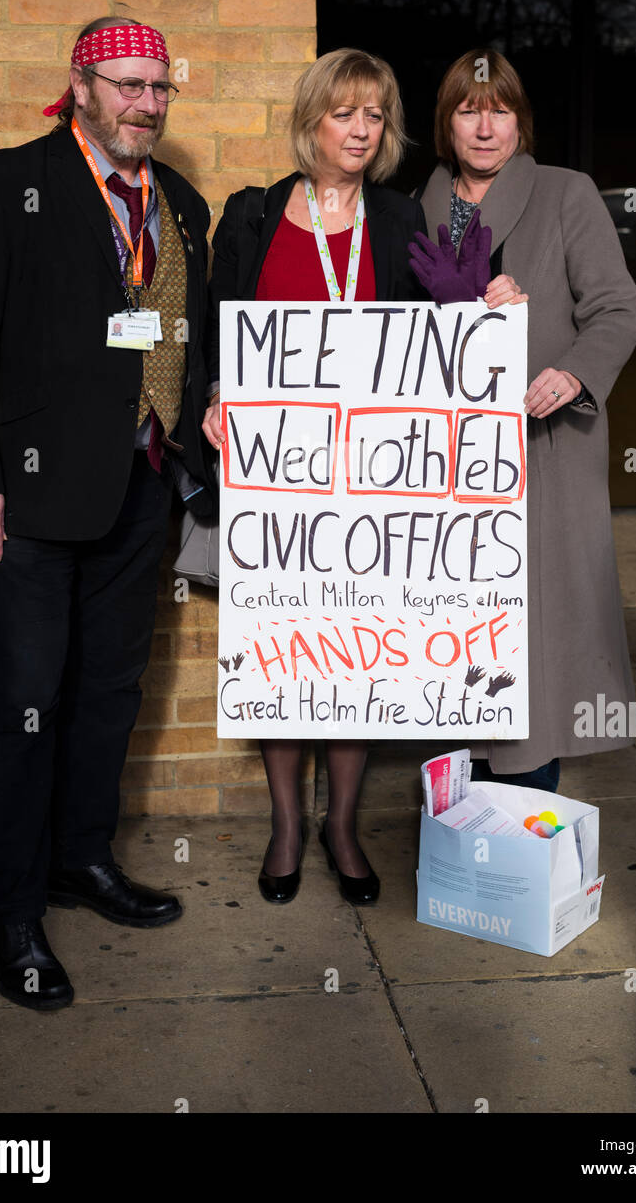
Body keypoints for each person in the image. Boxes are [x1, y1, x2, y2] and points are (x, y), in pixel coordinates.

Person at [0, 16, 216, 1011]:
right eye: (128, 84)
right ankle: (9, 911)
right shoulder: (0, 184)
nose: (147, 102)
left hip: (142, 485)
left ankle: (79, 860)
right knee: (21, 704)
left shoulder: (177, 201)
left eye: (160, 87)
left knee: (107, 691)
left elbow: (193, 328)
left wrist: (203, 407)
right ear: (81, 86)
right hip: (32, 498)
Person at [202, 48, 434, 906]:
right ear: (311, 122)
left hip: (373, 480)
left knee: (354, 655)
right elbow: (218, 328)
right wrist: (219, 393)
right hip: (276, 479)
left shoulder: (404, 218)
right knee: (282, 651)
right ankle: (286, 824)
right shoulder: (254, 215)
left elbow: (438, 339)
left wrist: (493, 301)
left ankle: (340, 822)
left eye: (374, 116)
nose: (361, 130)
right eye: (345, 114)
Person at [410, 47, 636, 793]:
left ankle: (522, 835)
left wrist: (572, 372)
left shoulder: (566, 194)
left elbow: (616, 307)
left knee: (534, 649)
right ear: (445, 124)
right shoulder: (415, 207)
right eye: (468, 110)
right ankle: (461, 831)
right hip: (448, 462)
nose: (484, 127)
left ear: (520, 120)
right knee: (457, 640)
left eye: (499, 110)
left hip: (544, 452)